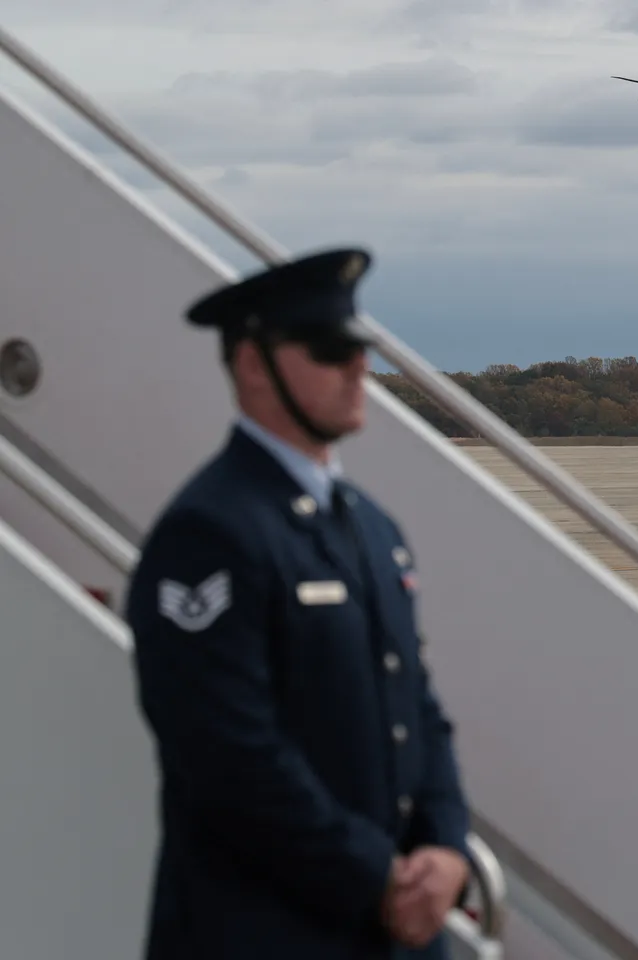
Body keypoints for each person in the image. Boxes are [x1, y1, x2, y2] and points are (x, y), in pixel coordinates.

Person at [124, 247, 476, 959]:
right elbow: (228, 757)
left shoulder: (373, 530)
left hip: (386, 934)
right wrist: (378, 876)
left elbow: (419, 711)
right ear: (255, 364)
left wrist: (446, 846)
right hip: (264, 933)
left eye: (360, 350)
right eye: (329, 349)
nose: (358, 369)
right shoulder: (210, 532)